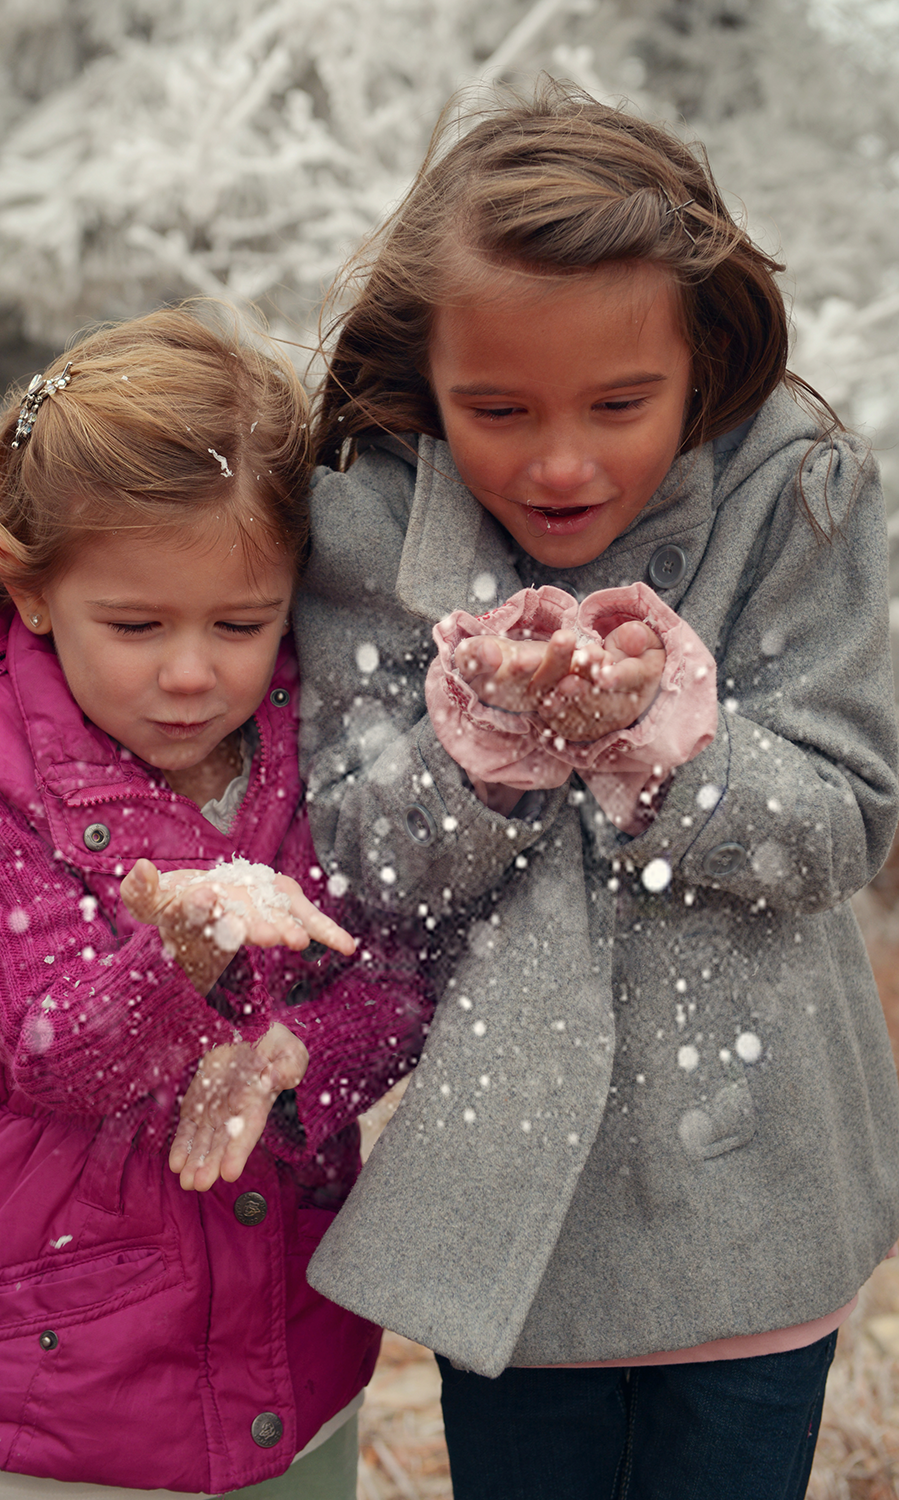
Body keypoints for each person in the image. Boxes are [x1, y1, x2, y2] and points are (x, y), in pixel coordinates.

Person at [292, 82, 899, 1499]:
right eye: (496, 410)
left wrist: (670, 747)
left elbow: (846, 821)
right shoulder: (373, 518)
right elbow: (353, 851)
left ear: (707, 362)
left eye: (621, 405)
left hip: (757, 1183)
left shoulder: (800, 497)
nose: (560, 462)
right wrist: (484, 762)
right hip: (515, 1219)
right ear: (430, 379)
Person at [0, 306, 431, 1500]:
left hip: (293, 1342)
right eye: (136, 627)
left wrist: (300, 1054)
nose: (193, 672)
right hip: (61, 1370)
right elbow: (49, 1047)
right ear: (32, 592)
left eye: (240, 624)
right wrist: (179, 942)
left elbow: (402, 970)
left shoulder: (316, 728)